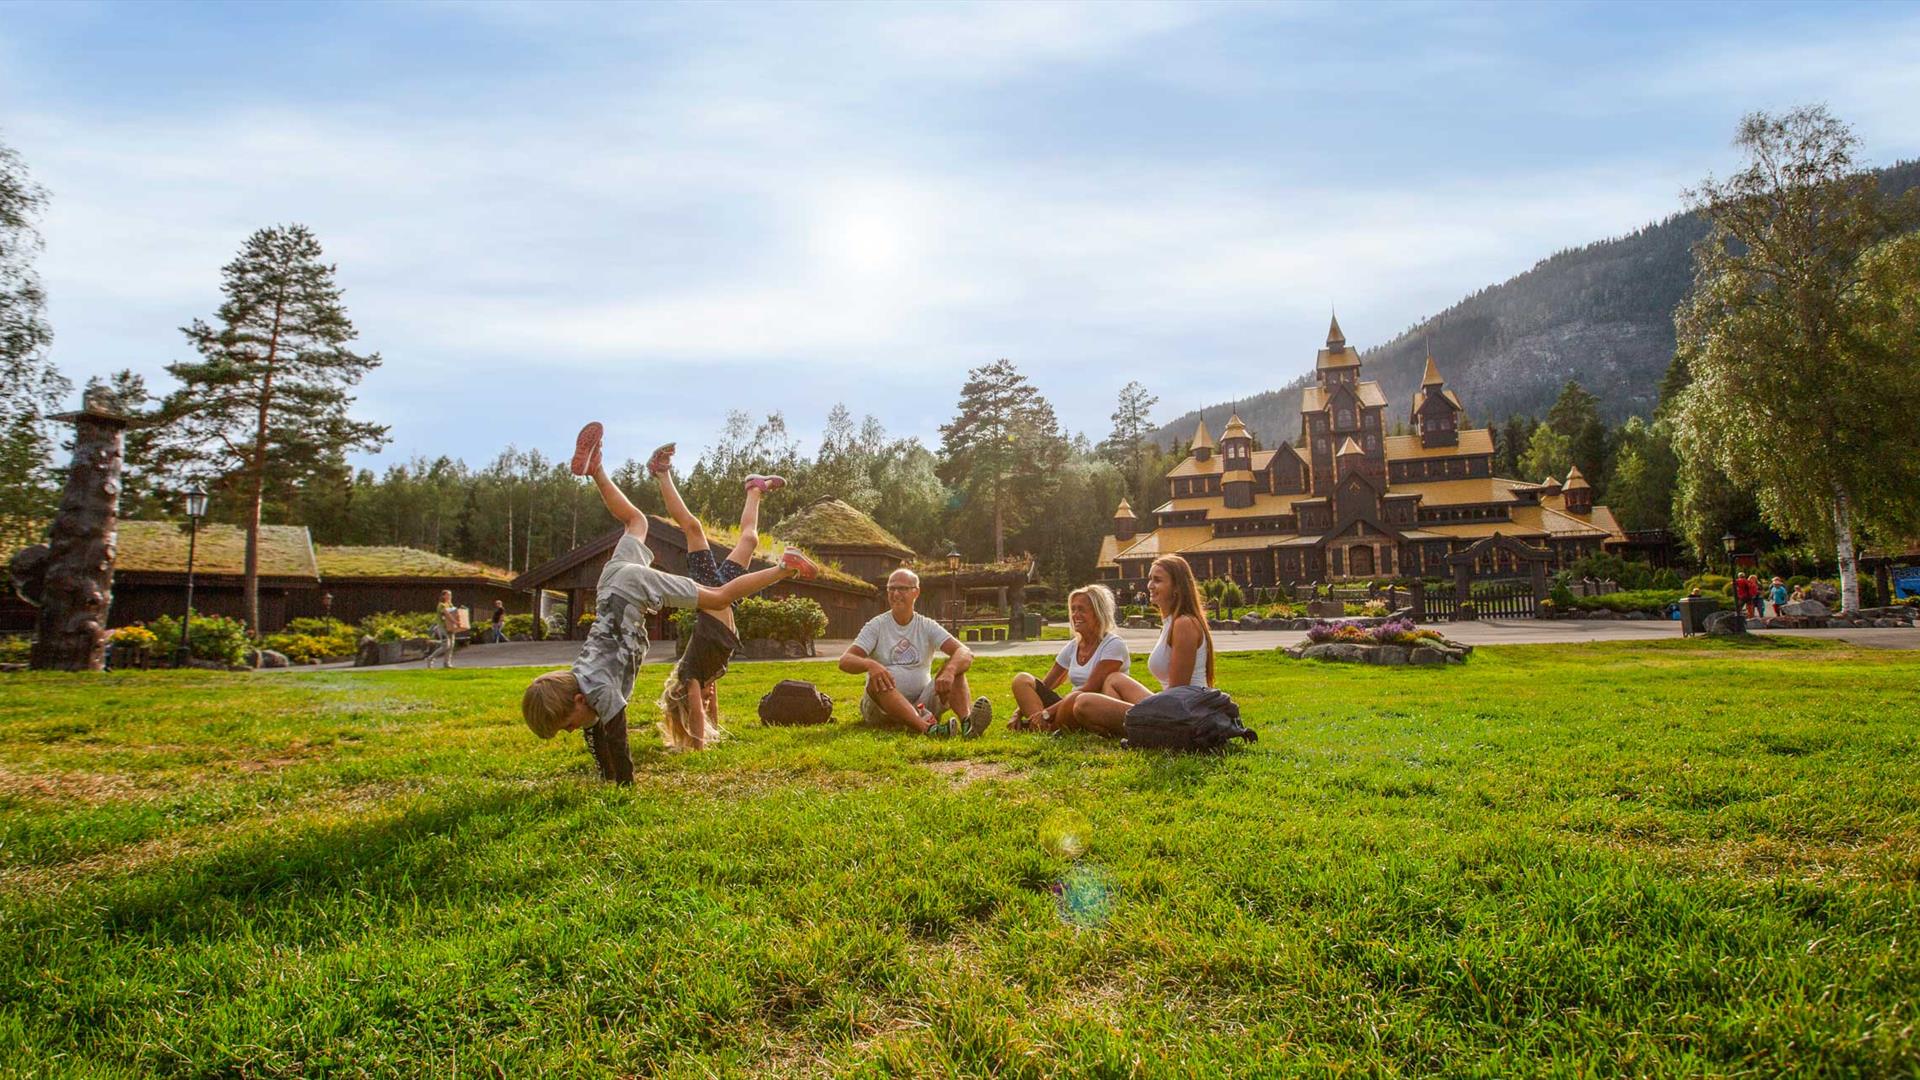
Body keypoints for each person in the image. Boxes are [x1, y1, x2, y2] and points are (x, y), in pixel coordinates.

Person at [519, 422, 820, 783]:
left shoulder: (598, 691)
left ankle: (785, 567)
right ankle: (596, 469)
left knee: (719, 584)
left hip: (634, 588)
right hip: (611, 585)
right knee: (637, 522)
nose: (573, 731)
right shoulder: (579, 678)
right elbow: (595, 733)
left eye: (567, 725)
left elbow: (613, 741)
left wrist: (619, 785)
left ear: (579, 702)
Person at [647, 439, 785, 750]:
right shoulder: (711, 675)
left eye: (701, 700)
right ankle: (755, 490)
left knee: (693, 529)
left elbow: (698, 714)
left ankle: (661, 473)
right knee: (749, 540)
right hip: (722, 594)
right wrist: (714, 726)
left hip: (711, 593)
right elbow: (711, 715)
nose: (709, 699)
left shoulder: (691, 674)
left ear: (686, 695)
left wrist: (698, 744)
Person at [1050, 554, 1213, 739]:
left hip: (1185, 716)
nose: (1150, 585)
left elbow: (1177, 694)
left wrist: (1143, 709)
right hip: (1172, 707)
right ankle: (1119, 730)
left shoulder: (1184, 623)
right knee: (1114, 679)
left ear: (1176, 587)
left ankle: (1127, 730)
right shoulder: (1170, 622)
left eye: (1158, 580)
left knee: (1084, 703)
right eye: (1150, 579)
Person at [839, 568, 992, 737]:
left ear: (916, 592)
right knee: (879, 682)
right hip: (881, 708)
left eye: (902, 589)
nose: (896, 593)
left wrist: (950, 671)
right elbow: (845, 660)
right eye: (891, 589)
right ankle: (929, 729)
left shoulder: (926, 625)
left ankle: (968, 725)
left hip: (922, 703)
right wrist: (870, 664)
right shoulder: (876, 626)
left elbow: (964, 652)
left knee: (956, 668)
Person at [1009, 584, 1128, 732]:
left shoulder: (1113, 644)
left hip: (1089, 706)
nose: (1075, 615)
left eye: (1081, 609)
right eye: (1073, 609)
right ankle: (1039, 725)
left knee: (1075, 697)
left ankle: (1047, 726)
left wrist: (1047, 713)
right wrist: (1017, 712)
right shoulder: (1073, 646)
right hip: (1067, 705)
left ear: (1098, 613)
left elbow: (1089, 688)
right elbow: (1047, 684)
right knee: (1022, 680)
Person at [427, 589, 459, 669]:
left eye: (450, 595)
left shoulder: (450, 605)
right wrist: (455, 621)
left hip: (451, 627)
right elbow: (447, 614)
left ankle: (447, 663)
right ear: (443, 596)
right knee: (446, 645)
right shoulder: (441, 605)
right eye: (448, 595)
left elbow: (455, 613)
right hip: (442, 627)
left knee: (451, 645)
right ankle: (430, 658)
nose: (450, 596)